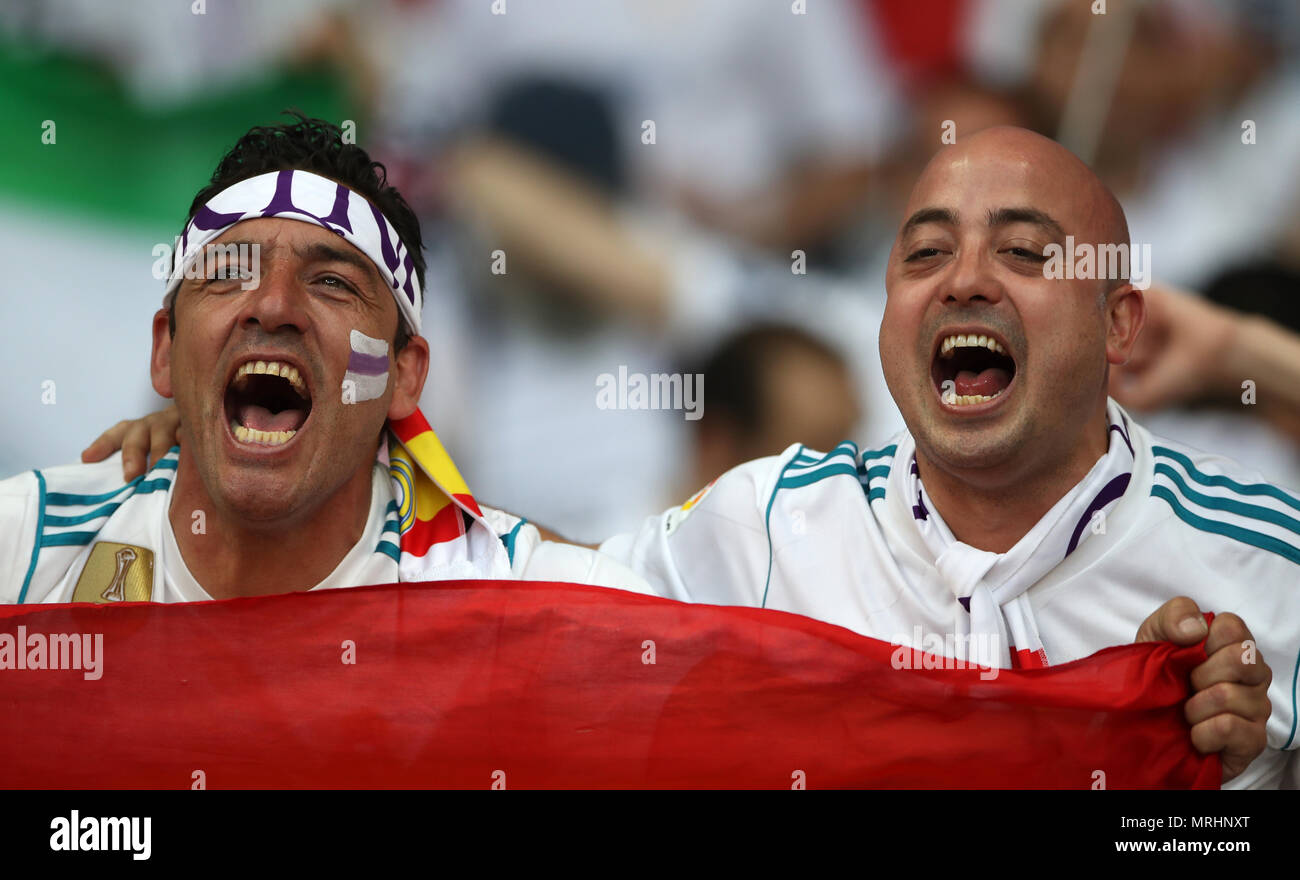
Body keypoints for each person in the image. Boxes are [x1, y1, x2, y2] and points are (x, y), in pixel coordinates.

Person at [83, 126, 1277, 787]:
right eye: (921, 255)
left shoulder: (1263, 564)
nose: (962, 279)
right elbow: (481, 608)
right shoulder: (762, 526)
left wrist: (1243, 779)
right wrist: (207, 486)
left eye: (1021, 252)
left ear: (1119, 324)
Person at [0, 114, 649, 605]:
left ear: (405, 375)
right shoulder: (25, 552)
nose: (273, 304)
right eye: (229, 273)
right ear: (165, 351)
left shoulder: (522, 602)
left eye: (333, 282)